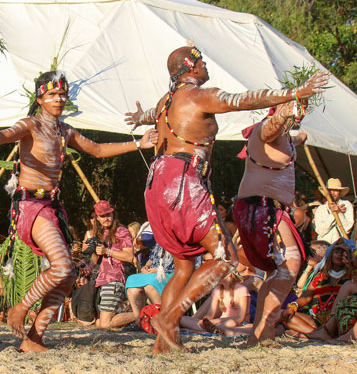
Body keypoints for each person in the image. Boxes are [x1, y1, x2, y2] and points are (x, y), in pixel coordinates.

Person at [125, 45, 329, 352]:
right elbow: (245, 100)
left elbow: (153, 115)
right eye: (202, 62)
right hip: (184, 181)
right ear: (189, 67)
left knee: (183, 266)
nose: (207, 67)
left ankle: (163, 343)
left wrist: (141, 117)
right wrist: (294, 92)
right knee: (227, 258)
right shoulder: (197, 95)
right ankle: (169, 319)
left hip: (158, 183)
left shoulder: (167, 100)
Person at [0, 71, 157, 352]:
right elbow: (2, 137)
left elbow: (97, 149)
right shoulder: (31, 125)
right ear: (40, 98)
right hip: (30, 206)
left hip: (50, 207)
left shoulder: (64, 131)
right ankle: (20, 309)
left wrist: (138, 143)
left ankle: (34, 338)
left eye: (63, 94)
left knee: (68, 277)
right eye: (52, 94)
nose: (59, 99)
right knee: (61, 266)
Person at [232, 95, 312, 345]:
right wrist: (287, 110)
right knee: (291, 263)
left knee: (278, 271)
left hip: (267, 209)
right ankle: (263, 329)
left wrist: (298, 113)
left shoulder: (285, 138)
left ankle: (260, 332)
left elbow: (301, 136)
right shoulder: (264, 130)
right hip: (263, 208)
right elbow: (272, 129)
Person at [282, 240, 354, 334]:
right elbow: (306, 297)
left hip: (339, 321)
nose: (339, 255)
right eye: (336, 252)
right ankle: (317, 333)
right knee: (284, 315)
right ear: (331, 254)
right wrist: (294, 305)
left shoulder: (352, 277)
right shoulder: (320, 276)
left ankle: (313, 333)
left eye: (343, 253)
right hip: (317, 321)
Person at [88, 200, 135, 330]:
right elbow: (95, 260)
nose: (106, 218)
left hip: (114, 278)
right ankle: (134, 316)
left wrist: (108, 251)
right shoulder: (100, 234)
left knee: (104, 324)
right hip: (100, 281)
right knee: (98, 323)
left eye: (108, 215)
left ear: (113, 214)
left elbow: (130, 256)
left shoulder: (122, 232)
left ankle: (141, 313)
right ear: (97, 218)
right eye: (102, 216)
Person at [180, 272, 250, 334]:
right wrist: (205, 322)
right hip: (219, 322)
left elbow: (240, 318)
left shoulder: (242, 290)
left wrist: (216, 321)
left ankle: (204, 330)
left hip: (236, 322)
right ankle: (207, 329)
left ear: (229, 274)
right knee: (183, 319)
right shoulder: (217, 290)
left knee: (229, 324)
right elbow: (210, 314)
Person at [313, 179, 354, 244]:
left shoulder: (346, 205)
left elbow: (347, 229)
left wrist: (339, 213)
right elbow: (319, 231)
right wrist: (333, 215)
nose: (332, 193)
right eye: (330, 190)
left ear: (340, 192)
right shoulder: (320, 209)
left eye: (335, 190)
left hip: (341, 246)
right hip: (324, 246)